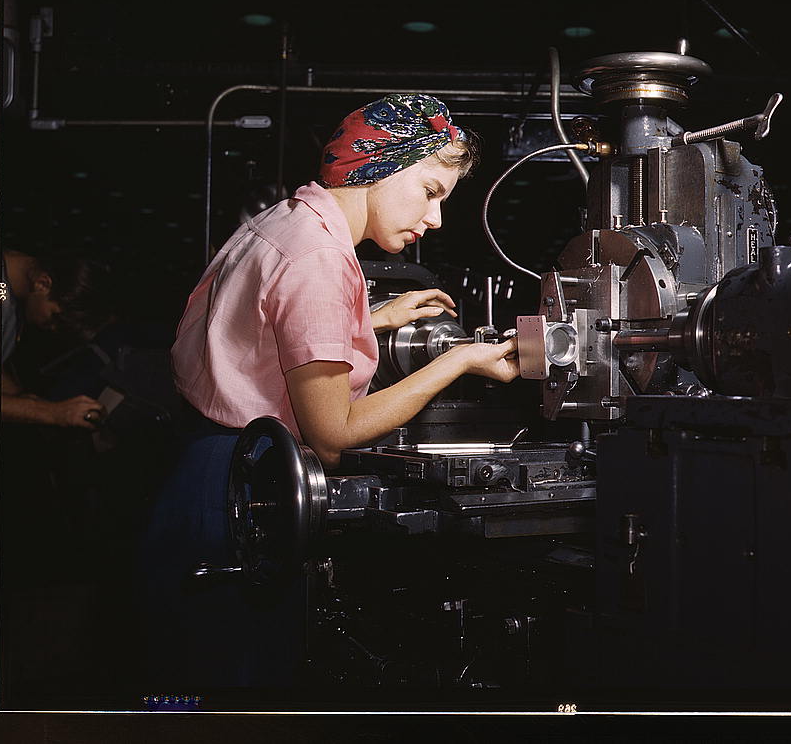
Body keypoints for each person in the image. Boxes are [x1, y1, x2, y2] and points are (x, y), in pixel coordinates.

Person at [141, 94, 518, 689]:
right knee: (236, 692)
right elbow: (335, 435)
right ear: (382, 166)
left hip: (206, 467)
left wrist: (373, 318)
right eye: (430, 191)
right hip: (243, 488)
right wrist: (460, 361)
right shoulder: (318, 257)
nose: (436, 218)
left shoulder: (289, 220)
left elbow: (263, 328)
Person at [0, 248, 111, 429]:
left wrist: (20, 397)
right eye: (55, 318)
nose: (52, 328)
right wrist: (50, 412)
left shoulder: (11, 292)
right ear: (42, 284)